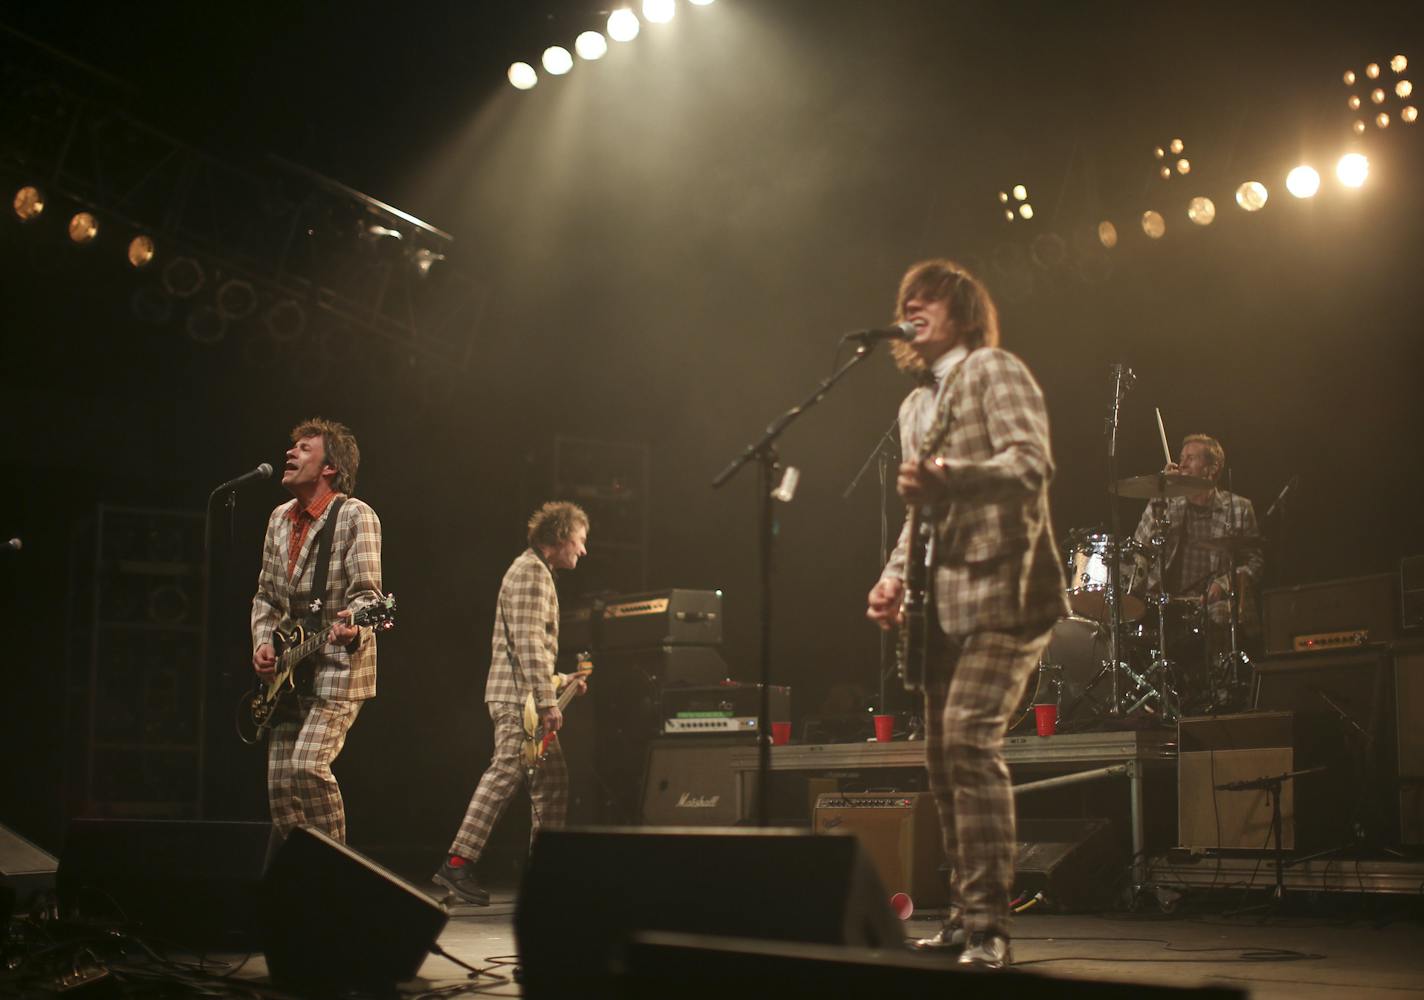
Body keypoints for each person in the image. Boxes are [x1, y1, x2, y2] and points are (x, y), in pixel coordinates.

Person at [866, 259, 1067, 970]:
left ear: (962, 310)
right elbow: (916, 514)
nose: (912, 303)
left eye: (929, 298)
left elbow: (1031, 462)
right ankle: (960, 918)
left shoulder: (993, 369)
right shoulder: (915, 405)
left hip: (1007, 591)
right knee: (941, 759)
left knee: (969, 742)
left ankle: (989, 926)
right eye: (905, 297)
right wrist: (892, 580)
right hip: (939, 602)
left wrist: (952, 475)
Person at [433, 502, 589, 906]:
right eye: (580, 539)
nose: (582, 550)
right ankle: (457, 861)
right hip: (517, 701)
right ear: (559, 537)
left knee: (551, 784)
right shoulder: (531, 573)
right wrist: (547, 699)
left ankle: (544, 875)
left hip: (525, 697)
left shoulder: (536, 571)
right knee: (505, 772)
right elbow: (527, 645)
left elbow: (527, 647)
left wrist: (561, 682)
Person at [252, 418, 383, 843]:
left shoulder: (355, 516)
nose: (291, 453)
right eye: (293, 447)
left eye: (305, 448)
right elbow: (268, 598)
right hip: (288, 675)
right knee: (280, 791)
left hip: (337, 670)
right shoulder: (277, 520)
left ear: (330, 466)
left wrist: (354, 628)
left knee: (307, 767)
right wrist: (262, 644)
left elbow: (368, 596)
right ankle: (297, 885)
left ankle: (338, 877)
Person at [1131, 434, 1264, 629]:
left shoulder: (1239, 507)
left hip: (1217, 605)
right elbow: (1140, 546)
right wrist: (1161, 493)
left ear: (1212, 468)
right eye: (1181, 458)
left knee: (1220, 617)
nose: (1181, 464)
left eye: (1191, 458)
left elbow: (1255, 563)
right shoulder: (1167, 503)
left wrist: (1224, 584)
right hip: (1167, 603)